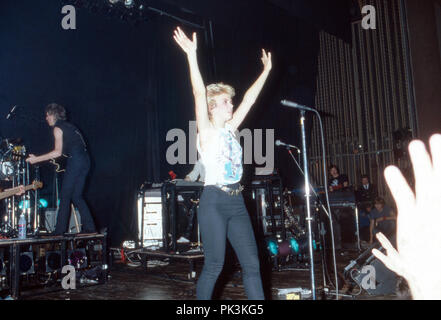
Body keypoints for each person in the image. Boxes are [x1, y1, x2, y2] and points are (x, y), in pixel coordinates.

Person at [173, 26, 271, 300]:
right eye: (226, 102)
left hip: (237, 202)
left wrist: (265, 72)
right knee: (215, 265)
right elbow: (196, 91)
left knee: (252, 264)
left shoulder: (231, 128)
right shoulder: (206, 130)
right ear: (212, 107)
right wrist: (192, 56)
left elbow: (250, 100)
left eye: (231, 102)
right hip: (214, 201)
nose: (231, 106)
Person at [372, 133, 441, 300]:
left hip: (390, 227)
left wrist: (420, 281)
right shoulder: (375, 211)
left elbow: (393, 218)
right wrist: (422, 281)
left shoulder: (387, 208)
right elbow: (373, 223)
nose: (378, 207)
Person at [26, 103, 96, 236]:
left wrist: (36, 159)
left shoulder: (57, 128)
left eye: (47, 115)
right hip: (86, 160)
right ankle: (90, 228)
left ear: (53, 115)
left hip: (76, 160)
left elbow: (57, 152)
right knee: (76, 196)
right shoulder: (70, 126)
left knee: (65, 196)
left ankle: (59, 231)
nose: (46, 118)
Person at [177, 160, 205, 244]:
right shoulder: (201, 159)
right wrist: (184, 181)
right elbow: (194, 174)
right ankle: (186, 235)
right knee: (189, 204)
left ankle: (187, 235)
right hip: (201, 187)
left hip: (214, 189)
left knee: (195, 205)